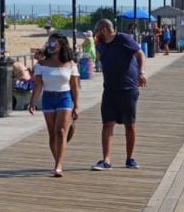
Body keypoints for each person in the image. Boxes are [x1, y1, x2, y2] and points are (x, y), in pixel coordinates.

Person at [92, 18, 146, 170]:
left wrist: (141, 72)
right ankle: (106, 160)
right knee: (107, 123)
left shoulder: (123, 38)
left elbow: (140, 53)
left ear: (103, 29)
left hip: (128, 89)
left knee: (129, 124)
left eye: (97, 31)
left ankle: (130, 158)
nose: (96, 34)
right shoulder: (101, 45)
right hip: (109, 90)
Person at [29, 34, 80, 177]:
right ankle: (58, 161)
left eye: (53, 43)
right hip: (48, 98)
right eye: (49, 43)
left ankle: (58, 165)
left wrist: (76, 105)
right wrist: (33, 102)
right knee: (52, 134)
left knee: (61, 131)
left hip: (64, 97)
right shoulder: (41, 65)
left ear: (61, 45)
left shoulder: (70, 64)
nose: (50, 46)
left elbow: (74, 86)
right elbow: (38, 85)